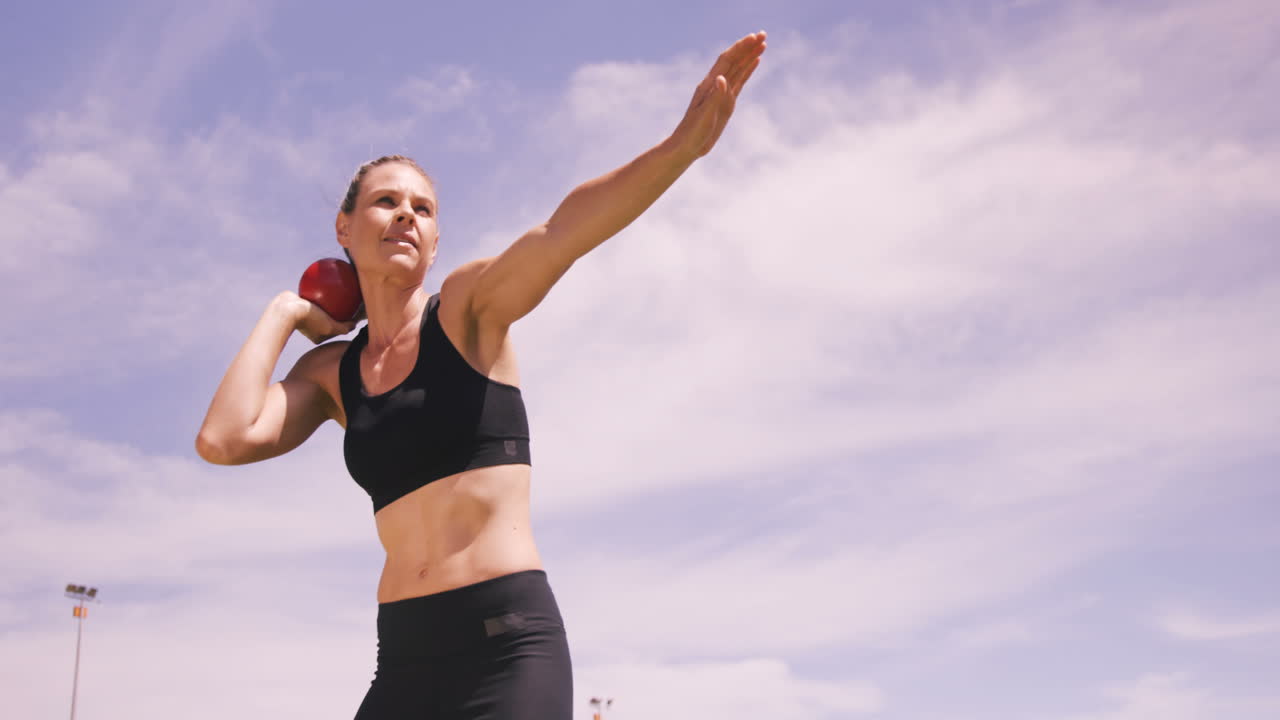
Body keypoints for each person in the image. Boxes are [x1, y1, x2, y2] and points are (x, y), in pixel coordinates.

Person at [195, 31, 766, 720]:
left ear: (436, 242)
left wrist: (680, 149)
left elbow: (563, 234)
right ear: (343, 228)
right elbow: (223, 439)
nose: (406, 213)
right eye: (386, 202)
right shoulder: (331, 376)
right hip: (403, 661)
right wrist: (286, 311)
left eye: (423, 208)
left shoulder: (467, 311)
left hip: (508, 648)